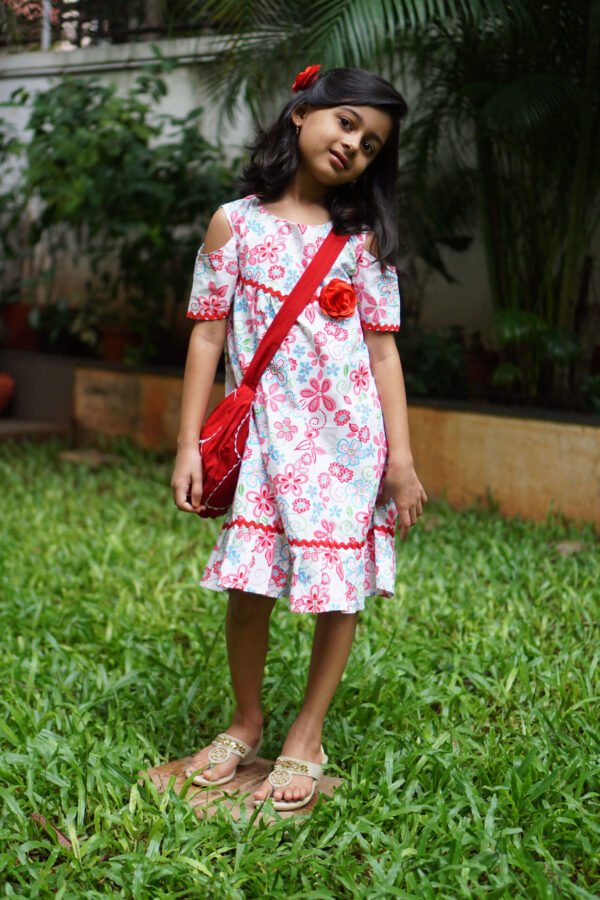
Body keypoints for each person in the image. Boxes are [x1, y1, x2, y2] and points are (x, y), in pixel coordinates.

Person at [171, 65, 427, 812]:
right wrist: (190, 444)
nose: (355, 145)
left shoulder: (364, 243)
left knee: (336, 591)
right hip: (260, 440)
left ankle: (305, 734)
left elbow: (383, 352)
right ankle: (246, 721)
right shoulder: (236, 222)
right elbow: (205, 338)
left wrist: (401, 462)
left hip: (346, 445)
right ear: (301, 113)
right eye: (346, 122)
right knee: (249, 584)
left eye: (372, 143)